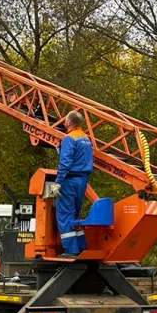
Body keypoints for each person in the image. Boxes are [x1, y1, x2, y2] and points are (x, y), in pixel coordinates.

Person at [51, 110, 93, 259]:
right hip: (82, 181)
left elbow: (65, 163)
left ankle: (71, 251)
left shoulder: (69, 138)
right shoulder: (86, 139)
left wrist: (58, 182)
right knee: (75, 216)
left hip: (69, 181)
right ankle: (81, 247)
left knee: (65, 216)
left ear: (68, 122)